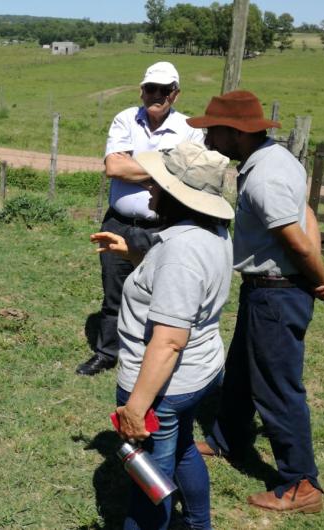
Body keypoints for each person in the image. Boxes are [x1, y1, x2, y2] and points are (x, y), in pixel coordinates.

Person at [187, 90, 324, 513]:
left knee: (277, 387)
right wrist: (317, 269)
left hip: (277, 291)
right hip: (270, 289)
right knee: (242, 372)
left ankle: (301, 482)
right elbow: (306, 212)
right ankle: (227, 439)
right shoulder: (278, 158)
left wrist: (322, 278)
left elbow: (294, 236)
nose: (207, 137)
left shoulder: (265, 176)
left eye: (213, 130)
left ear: (235, 133)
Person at [94, 142, 234, 530]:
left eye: (158, 184)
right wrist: (135, 255)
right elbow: (178, 285)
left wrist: (137, 407)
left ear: (178, 195)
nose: (150, 189)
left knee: (148, 484)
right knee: (185, 447)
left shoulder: (180, 252)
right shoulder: (212, 233)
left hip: (162, 386)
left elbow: (169, 340)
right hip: (200, 373)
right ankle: (198, 524)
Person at [77, 62, 204, 376]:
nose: (156, 95)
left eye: (164, 90)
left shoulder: (190, 128)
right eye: (151, 89)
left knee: (162, 290)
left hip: (164, 226)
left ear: (176, 93)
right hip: (119, 222)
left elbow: (188, 175)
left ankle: (154, 352)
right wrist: (164, 168)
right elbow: (114, 168)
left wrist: (137, 165)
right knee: (113, 290)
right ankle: (107, 353)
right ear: (141, 90)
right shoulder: (125, 118)